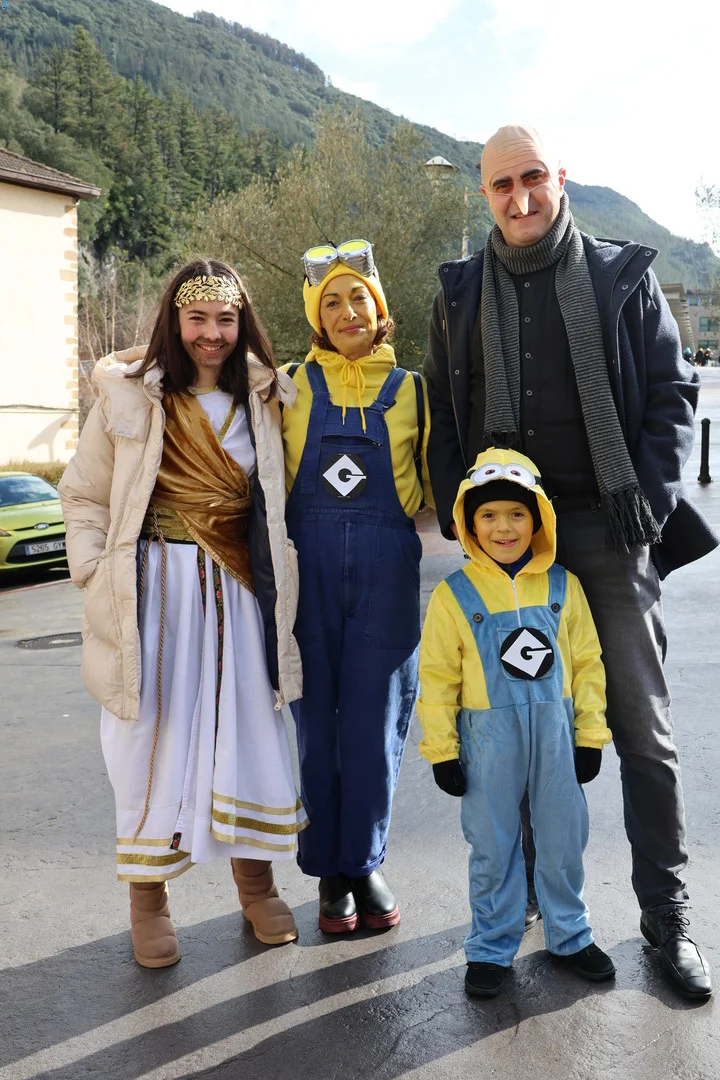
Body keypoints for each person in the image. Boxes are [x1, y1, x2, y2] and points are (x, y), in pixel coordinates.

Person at [424, 124, 717, 1000]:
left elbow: (672, 395)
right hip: (506, 544)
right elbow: (442, 411)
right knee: (512, 724)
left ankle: (666, 915)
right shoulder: (460, 292)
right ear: (483, 193)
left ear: (560, 177)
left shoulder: (619, 276)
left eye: (532, 179)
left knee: (642, 735)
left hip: (606, 530)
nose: (519, 198)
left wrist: (647, 504)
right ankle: (524, 900)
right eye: (501, 185)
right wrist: (463, 517)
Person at [59, 259, 305, 968]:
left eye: (225, 319)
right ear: (174, 320)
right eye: (197, 318)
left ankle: (256, 886)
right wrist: (94, 568)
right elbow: (83, 494)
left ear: (242, 323)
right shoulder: (128, 396)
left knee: (247, 732)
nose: (212, 334)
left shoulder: (267, 398)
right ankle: (148, 901)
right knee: (148, 739)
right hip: (153, 596)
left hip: (239, 595)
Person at [417, 448, 615, 997]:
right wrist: (443, 750)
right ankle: (490, 945)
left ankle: (570, 933)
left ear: (538, 519)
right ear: (468, 523)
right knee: (492, 843)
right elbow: (437, 677)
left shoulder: (563, 587)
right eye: (488, 515)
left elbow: (587, 663)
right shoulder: (454, 596)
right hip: (487, 742)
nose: (503, 527)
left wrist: (590, 735)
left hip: (555, 736)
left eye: (517, 514)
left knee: (563, 837)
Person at [281, 240, 432, 932]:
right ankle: (328, 872)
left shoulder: (414, 392)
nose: (348, 313)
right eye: (332, 302)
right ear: (317, 317)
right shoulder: (288, 387)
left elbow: (437, 484)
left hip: (385, 576)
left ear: (380, 309)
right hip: (306, 577)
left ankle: (365, 860)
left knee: (375, 727)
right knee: (317, 730)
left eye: (359, 299)